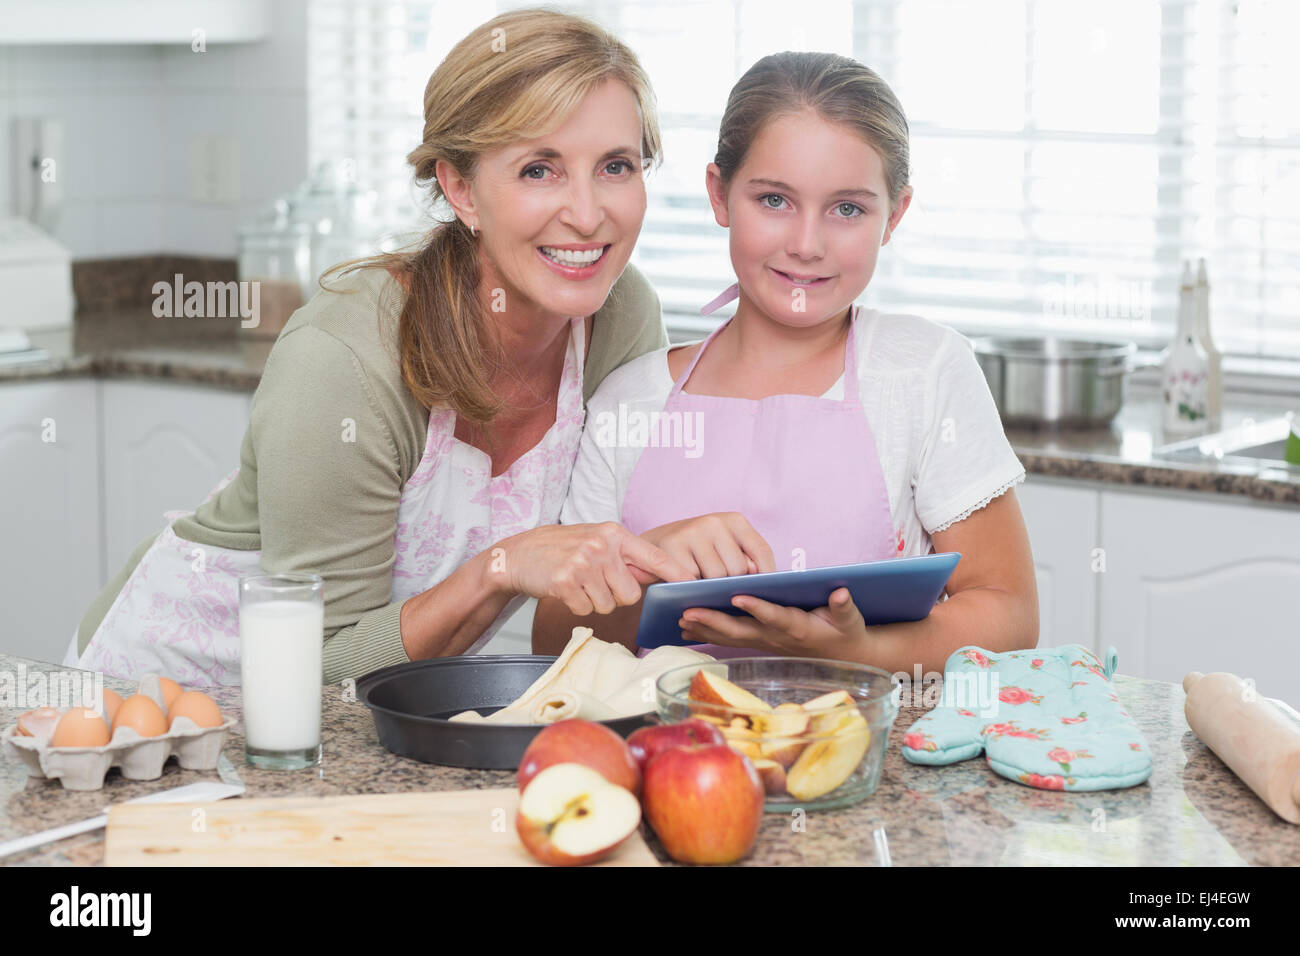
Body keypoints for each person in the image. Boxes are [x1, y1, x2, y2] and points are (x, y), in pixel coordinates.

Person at [69, 8, 694, 688]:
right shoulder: (345, 359)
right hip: (159, 697)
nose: (587, 212)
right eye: (539, 169)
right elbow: (321, 665)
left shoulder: (622, 316)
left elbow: (592, 581)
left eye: (616, 166)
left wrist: (672, 551)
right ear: (460, 188)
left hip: (373, 715)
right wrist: (501, 566)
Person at [534, 51, 1038, 675]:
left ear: (894, 216)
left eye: (847, 208)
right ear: (719, 194)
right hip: (671, 756)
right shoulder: (630, 398)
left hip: (858, 751)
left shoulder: (922, 371)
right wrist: (644, 561)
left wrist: (862, 650)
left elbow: (1009, 616)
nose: (806, 244)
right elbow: (552, 643)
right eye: (774, 200)